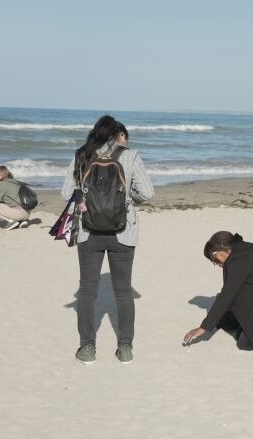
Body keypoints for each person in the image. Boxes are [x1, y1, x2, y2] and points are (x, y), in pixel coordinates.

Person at [61, 115, 154, 365]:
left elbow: (65, 193)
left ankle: (87, 348)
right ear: (118, 135)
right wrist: (126, 199)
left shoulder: (82, 154)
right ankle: (125, 349)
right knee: (123, 292)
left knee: (87, 291)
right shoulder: (130, 156)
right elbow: (147, 193)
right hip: (123, 232)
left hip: (88, 232)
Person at [0, 165, 30, 230]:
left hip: (19, 213)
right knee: (8, 201)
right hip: (27, 213)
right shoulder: (15, 182)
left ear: (0, 175)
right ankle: (21, 221)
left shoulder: (2, 184)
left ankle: (11, 221)